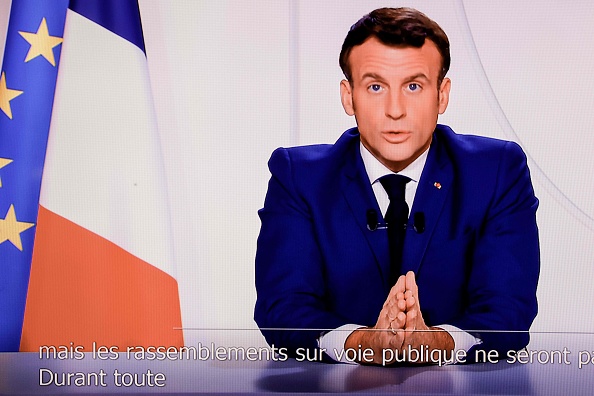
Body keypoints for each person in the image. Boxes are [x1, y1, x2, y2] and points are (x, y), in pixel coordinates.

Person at [254, 7, 539, 364]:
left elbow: (508, 310)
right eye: (375, 87)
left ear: (442, 95)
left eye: (414, 86)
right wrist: (361, 342)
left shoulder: (497, 170)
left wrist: (436, 343)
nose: (395, 110)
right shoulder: (298, 176)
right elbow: (282, 307)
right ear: (348, 96)